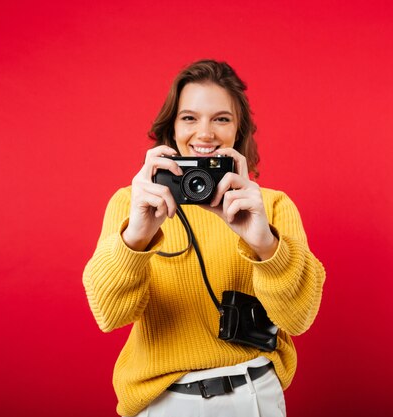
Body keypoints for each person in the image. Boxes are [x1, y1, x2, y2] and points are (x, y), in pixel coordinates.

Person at [83, 59, 325, 417]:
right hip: (165, 401)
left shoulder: (270, 206)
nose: (205, 133)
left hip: (253, 395)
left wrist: (265, 245)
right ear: (173, 127)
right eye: (190, 118)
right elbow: (108, 315)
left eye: (221, 118)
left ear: (238, 129)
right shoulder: (134, 203)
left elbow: (299, 319)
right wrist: (137, 236)